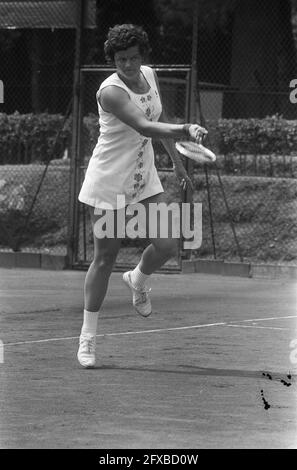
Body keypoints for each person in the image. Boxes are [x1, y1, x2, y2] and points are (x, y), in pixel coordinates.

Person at [77, 24, 207, 368]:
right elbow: (144, 126)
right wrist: (184, 129)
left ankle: (138, 279)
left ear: (142, 56)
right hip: (110, 182)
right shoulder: (110, 92)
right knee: (105, 259)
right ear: (112, 59)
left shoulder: (149, 74)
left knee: (167, 245)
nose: (130, 65)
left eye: (134, 58)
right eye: (122, 59)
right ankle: (88, 338)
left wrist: (177, 162)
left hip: (143, 177)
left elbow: (158, 115)